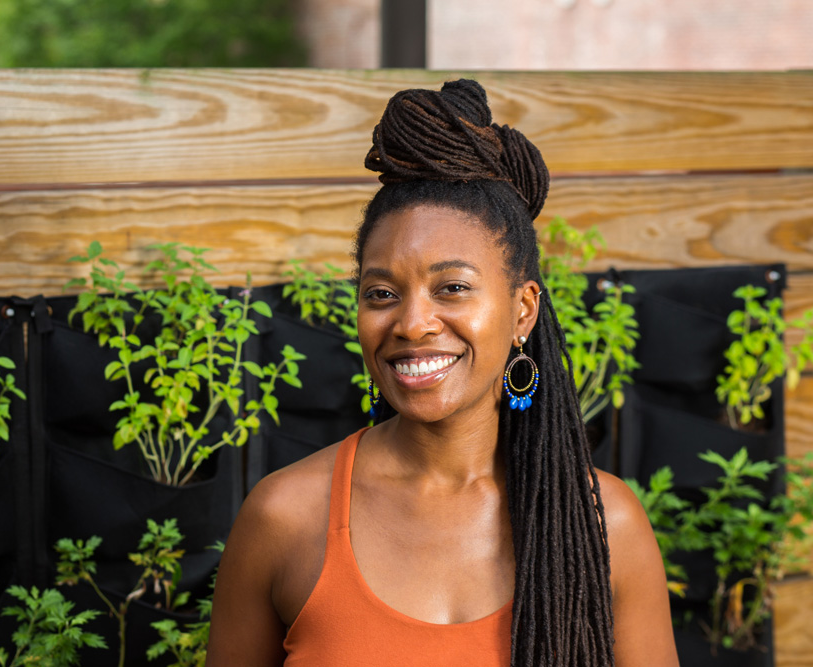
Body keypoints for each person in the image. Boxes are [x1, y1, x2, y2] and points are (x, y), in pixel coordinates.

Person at [206, 79, 678, 666]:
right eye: (381, 294)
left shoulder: (604, 524)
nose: (411, 324)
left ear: (523, 310)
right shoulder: (285, 517)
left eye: (452, 288)